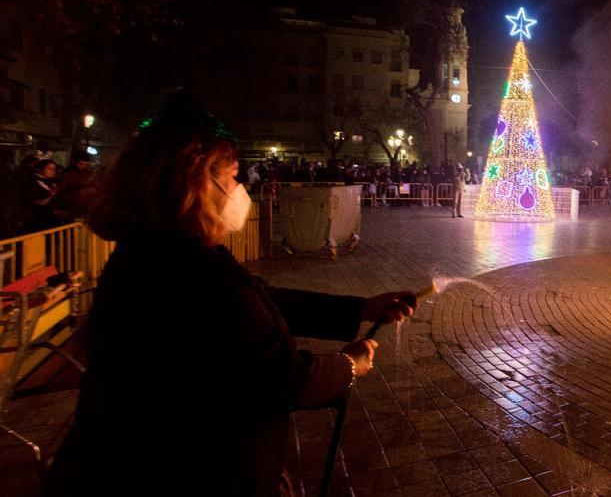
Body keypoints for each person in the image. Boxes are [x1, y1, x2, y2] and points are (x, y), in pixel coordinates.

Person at [45, 90, 421, 497]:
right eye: (233, 177)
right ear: (198, 184)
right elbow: (280, 379)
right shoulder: (186, 271)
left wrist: (362, 308)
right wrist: (349, 365)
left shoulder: (162, 251)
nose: (240, 190)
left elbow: (260, 301)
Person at [53, 148, 98, 220]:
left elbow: (94, 186)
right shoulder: (66, 174)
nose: (83, 166)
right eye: (80, 164)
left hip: (85, 207)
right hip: (70, 207)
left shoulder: (89, 173)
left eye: (85, 164)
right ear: (74, 162)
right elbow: (61, 192)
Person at [19, 157, 61, 232]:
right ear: (41, 169)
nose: (53, 171)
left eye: (54, 169)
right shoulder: (32, 181)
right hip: (37, 220)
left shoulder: (51, 181)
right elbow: (36, 200)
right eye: (50, 169)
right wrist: (52, 194)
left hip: (49, 219)